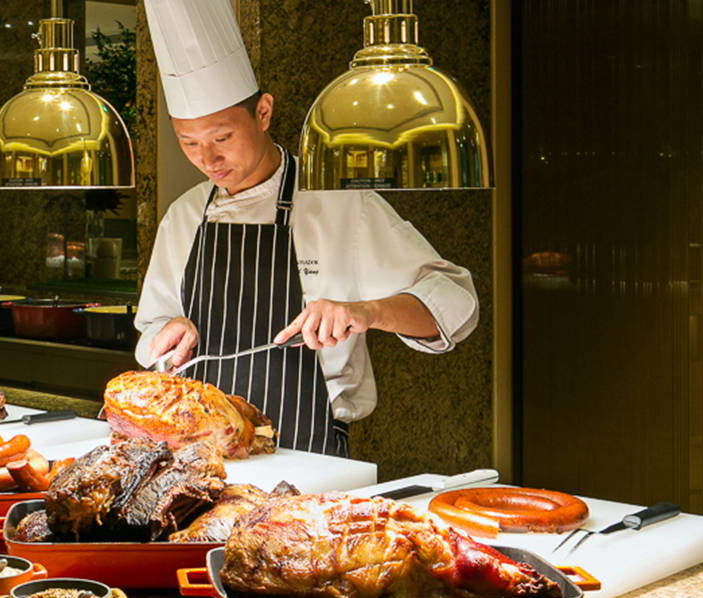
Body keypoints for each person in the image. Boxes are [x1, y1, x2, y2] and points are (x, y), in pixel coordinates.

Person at [135, 0, 479, 457]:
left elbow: (456, 302)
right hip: (198, 457)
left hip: (309, 457)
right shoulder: (183, 216)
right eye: (189, 143)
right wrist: (169, 332)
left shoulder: (339, 207)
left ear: (263, 112)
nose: (208, 160)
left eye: (222, 138)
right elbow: (151, 332)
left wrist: (367, 311)